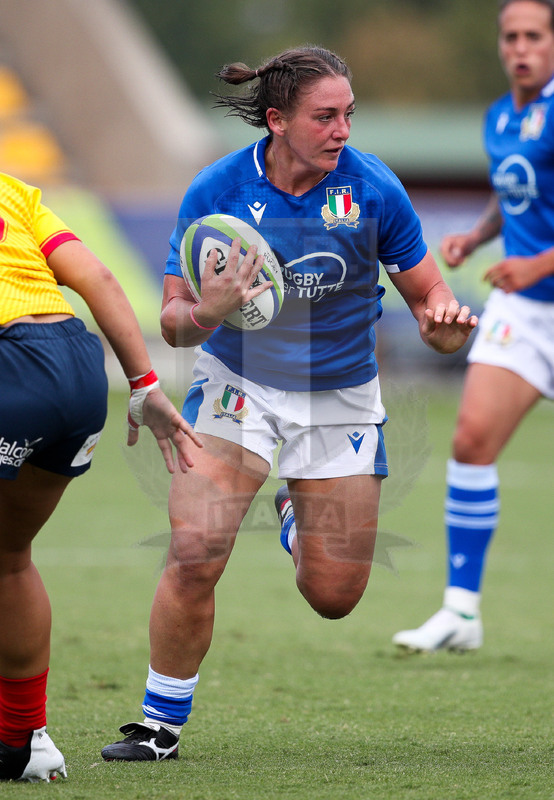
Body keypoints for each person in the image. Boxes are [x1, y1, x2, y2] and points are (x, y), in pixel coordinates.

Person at [101, 45, 477, 763]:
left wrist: (442, 324)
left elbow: (430, 297)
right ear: (276, 120)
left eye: (349, 116)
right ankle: (159, 725)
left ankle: (289, 515)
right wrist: (207, 309)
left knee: (334, 596)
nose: (342, 131)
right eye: (325, 117)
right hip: (237, 386)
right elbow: (175, 321)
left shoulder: (373, 190)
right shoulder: (215, 191)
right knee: (194, 550)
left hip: (339, 395)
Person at [0, 172, 202, 782]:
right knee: (8, 556)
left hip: (9, 363)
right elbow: (98, 279)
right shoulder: (11, 188)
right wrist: (145, 385)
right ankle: (24, 743)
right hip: (77, 366)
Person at [393, 0, 554, 653]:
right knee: (470, 440)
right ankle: (462, 612)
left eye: (534, 36)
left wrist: (535, 262)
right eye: (510, 36)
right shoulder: (500, 115)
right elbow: (515, 191)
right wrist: (479, 236)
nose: (520, 47)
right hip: (523, 313)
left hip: (533, 283)